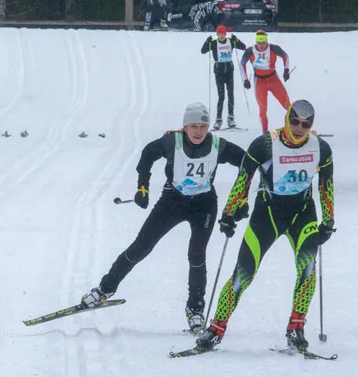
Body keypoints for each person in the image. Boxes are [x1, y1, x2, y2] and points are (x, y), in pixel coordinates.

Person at [80, 103, 245, 332]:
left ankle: (195, 309)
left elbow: (248, 163)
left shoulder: (218, 145)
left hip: (204, 204)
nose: (199, 131)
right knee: (141, 247)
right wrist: (142, 188)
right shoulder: (171, 142)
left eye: (203, 126)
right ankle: (105, 289)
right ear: (185, 126)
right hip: (173, 201)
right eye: (194, 126)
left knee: (196, 254)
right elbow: (147, 155)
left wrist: (240, 200)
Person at [194, 99, 335, 352]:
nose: (299, 127)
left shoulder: (321, 148)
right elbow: (243, 180)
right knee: (243, 275)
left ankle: (296, 327)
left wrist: (328, 220)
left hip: (302, 215)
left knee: (308, 270)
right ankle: (216, 329)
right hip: (267, 214)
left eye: (305, 124)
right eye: (295, 121)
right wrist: (229, 213)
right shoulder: (265, 144)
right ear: (287, 118)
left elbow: (326, 185)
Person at [239, 30, 292, 133]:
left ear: (267, 42)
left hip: (273, 78)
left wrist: (286, 70)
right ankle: (265, 133)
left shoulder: (273, 48)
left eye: (264, 43)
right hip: (259, 81)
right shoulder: (250, 51)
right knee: (262, 109)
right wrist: (245, 80)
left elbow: (285, 56)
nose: (262, 45)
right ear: (256, 42)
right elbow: (242, 64)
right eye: (259, 43)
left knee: (287, 104)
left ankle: (293, 128)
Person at [201, 26, 248, 130]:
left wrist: (237, 40)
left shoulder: (231, 41)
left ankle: (231, 118)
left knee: (231, 94)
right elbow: (203, 51)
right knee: (221, 96)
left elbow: (243, 47)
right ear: (217, 34)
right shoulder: (213, 43)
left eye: (223, 33)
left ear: (225, 34)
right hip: (219, 71)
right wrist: (206, 41)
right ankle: (218, 120)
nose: (221, 36)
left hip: (229, 71)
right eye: (219, 34)